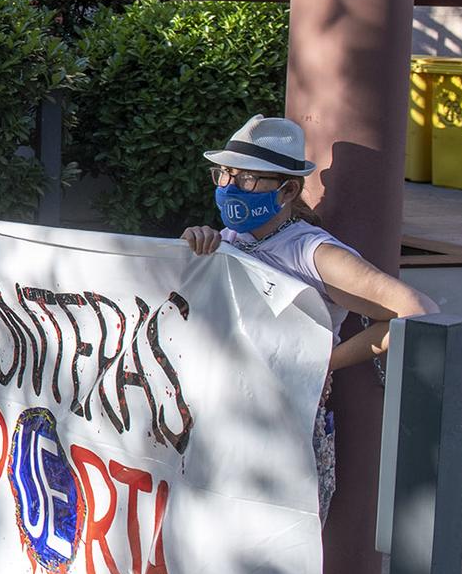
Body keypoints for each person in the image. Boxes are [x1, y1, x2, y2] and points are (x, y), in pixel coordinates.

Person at [181, 114, 436, 518]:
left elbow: (417, 311)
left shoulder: (312, 252)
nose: (230, 187)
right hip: (223, 428)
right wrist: (189, 252)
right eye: (224, 175)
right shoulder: (230, 238)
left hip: (285, 435)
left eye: (247, 179)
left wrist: (323, 363)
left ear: (287, 190)